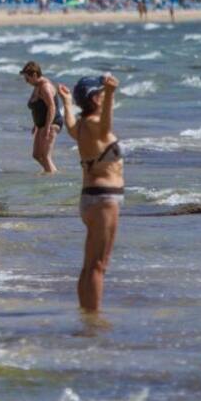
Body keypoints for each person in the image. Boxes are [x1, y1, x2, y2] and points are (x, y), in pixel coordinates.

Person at [57, 73, 124, 313]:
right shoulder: (96, 125)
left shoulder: (83, 127)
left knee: (89, 265)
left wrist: (66, 102)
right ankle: (93, 323)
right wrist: (112, 94)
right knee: (98, 265)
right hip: (105, 198)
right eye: (102, 94)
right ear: (95, 98)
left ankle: (85, 315)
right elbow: (106, 124)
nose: (106, 97)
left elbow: (70, 128)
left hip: (90, 198)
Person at [21, 61, 61, 174]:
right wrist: (36, 124)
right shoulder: (37, 85)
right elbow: (39, 107)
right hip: (41, 124)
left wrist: (48, 127)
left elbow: (51, 107)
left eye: (27, 78)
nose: (26, 81)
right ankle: (52, 172)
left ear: (34, 75)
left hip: (51, 123)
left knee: (45, 156)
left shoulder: (45, 87)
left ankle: (52, 177)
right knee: (37, 155)